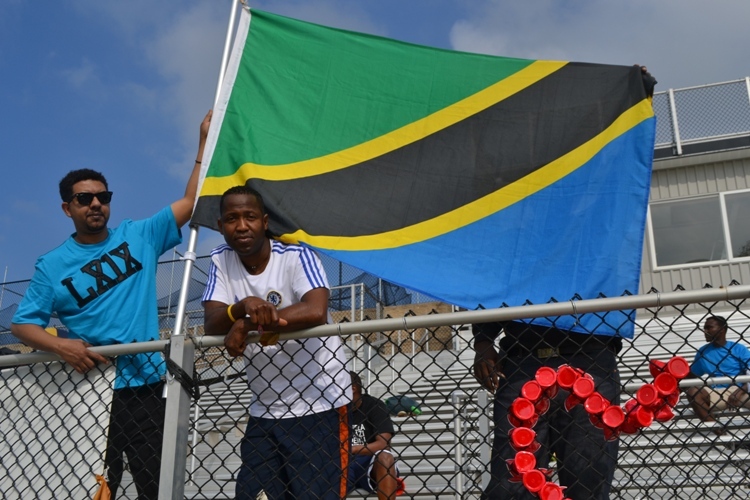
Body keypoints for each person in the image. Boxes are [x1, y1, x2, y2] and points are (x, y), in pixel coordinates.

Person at [10, 110, 212, 499]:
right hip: (91, 392)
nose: (96, 204)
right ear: (67, 208)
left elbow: (191, 201)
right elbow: (22, 325)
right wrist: (61, 346)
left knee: (157, 489)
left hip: (148, 387)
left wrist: (203, 141)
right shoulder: (51, 265)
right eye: (84, 198)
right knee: (97, 491)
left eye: (103, 197)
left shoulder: (139, 235)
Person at [201, 185, 352, 500]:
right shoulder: (221, 259)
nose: (242, 226)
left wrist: (248, 323)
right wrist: (243, 307)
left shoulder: (296, 255)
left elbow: (315, 309)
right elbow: (212, 321)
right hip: (265, 407)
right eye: (232, 218)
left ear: (265, 221)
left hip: (319, 401)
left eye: (250, 217)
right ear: (220, 225)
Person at [473, 320, 621, 500]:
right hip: (522, 357)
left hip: (590, 354)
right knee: (511, 485)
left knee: (588, 482)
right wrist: (483, 340)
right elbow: (491, 299)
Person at [686, 315, 750, 428]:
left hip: (742, 390)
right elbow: (690, 376)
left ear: (722, 329)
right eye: (704, 328)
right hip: (718, 392)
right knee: (693, 392)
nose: (705, 331)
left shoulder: (738, 349)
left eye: (709, 327)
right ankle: (718, 432)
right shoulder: (703, 352)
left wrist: (739, 391)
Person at [349, 371, 402, 500]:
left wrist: (352, 449)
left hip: (368, 462)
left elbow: (383, 444)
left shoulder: (374, 405)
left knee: (385, 456)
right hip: (342, 463)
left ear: (352, 388)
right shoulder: (330, 410)